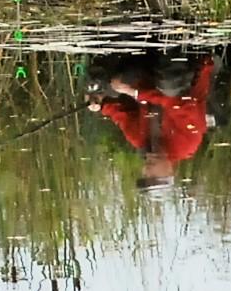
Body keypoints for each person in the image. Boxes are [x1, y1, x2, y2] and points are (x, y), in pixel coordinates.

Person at [86, 49, 217, 189]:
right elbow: (178, 102)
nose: (146, 171)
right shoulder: (187, 143)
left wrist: (99, 103)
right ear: (170, 171)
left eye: (144, 175)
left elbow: (119, 112)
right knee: (169, 86)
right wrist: (135, 93)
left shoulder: (138, 139)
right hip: (188, 70)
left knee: (99, 85)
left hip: (145, 74)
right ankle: (173, 41)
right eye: (153, 176)